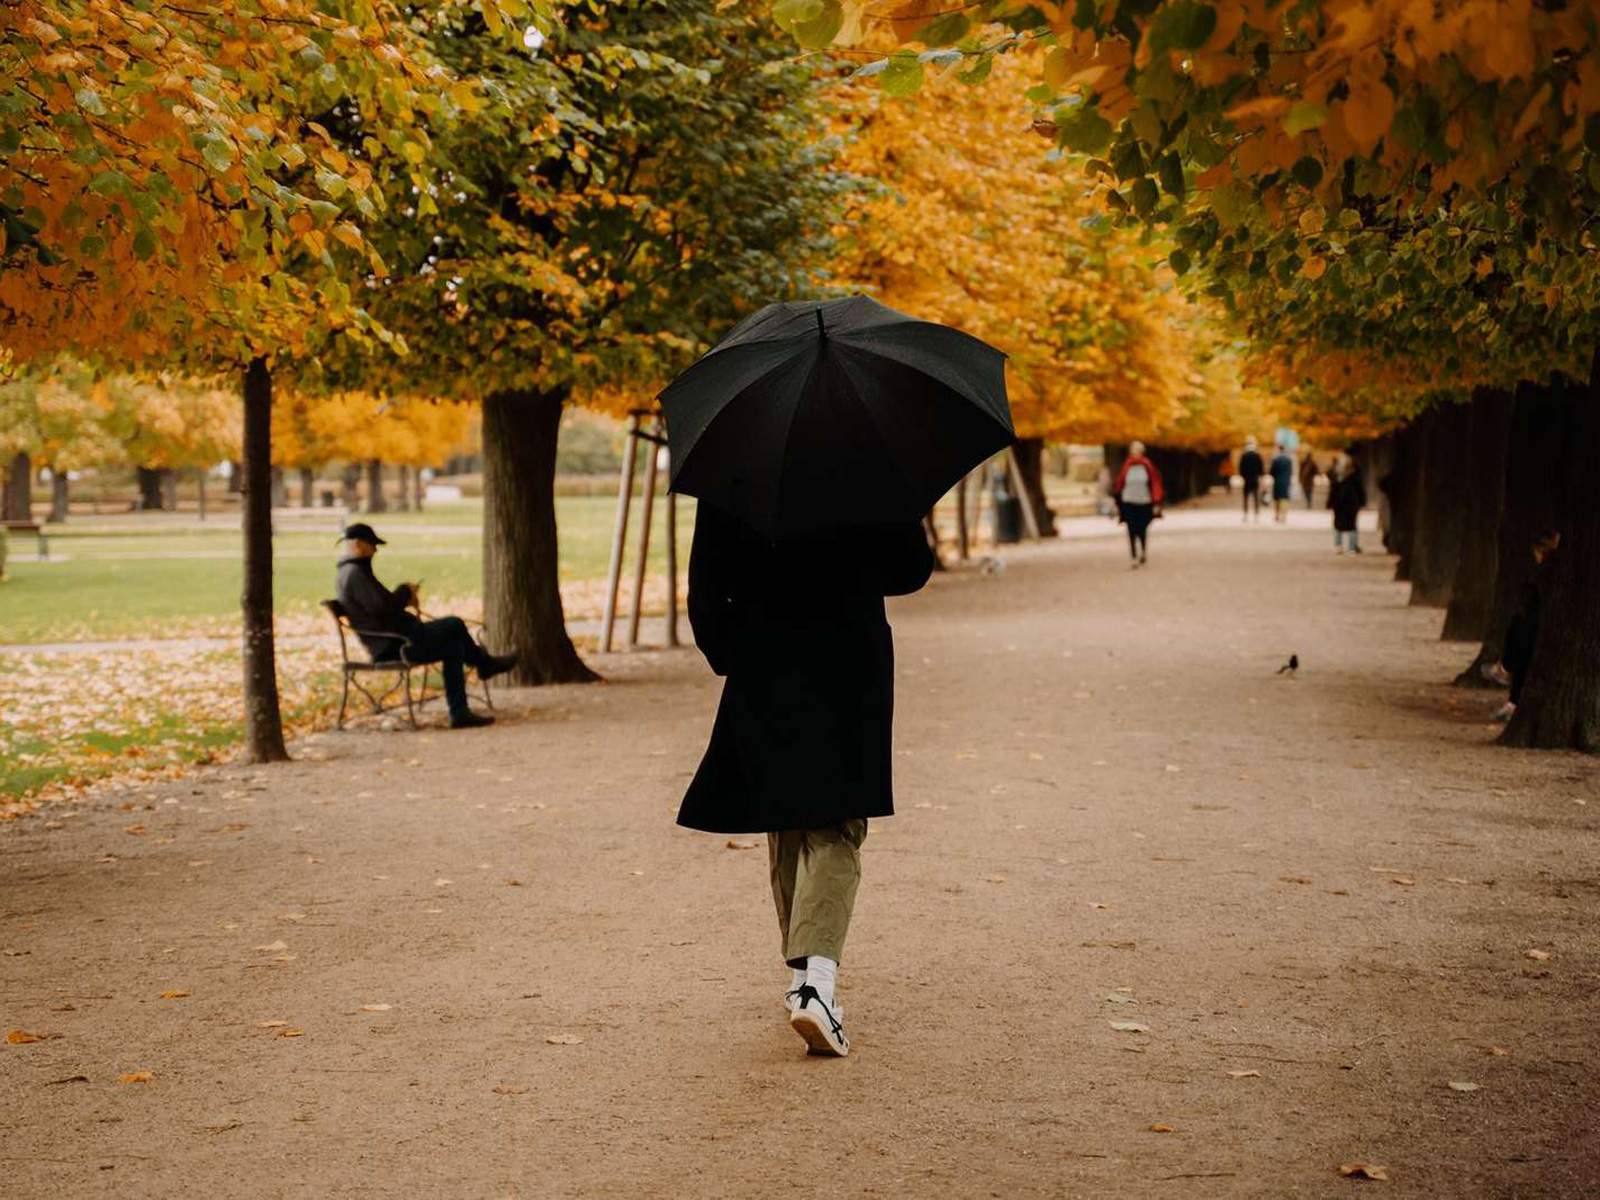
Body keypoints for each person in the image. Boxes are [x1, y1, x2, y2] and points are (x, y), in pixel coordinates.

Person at [680, 502, 935, 1058]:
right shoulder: (867, 471)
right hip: (850, 657)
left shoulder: (738, 471)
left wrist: (733, 654)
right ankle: (817, 982)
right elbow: (909, 570)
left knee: (788, 811)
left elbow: (705, 590)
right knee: (837, 818)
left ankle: (802, 977)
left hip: (763, 659)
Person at [334, 522, 516, 729]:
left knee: (453, 647)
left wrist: (404, 597)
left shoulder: (352, 571)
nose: (375, 550)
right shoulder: (355, 574)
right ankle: (484, 666)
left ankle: (460, 711)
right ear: (358, 544)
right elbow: (382, 607)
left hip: (397, 640)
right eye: (372, 545)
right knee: (454, 624)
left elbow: (381, 606)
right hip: (395, 645)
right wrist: (405, 592)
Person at [1494, 530, 1561, 722]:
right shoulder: (1544, 574)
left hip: (1536, 627)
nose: (1535, 557)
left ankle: (1505, 672)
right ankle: (1506, 675)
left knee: (1522, 650)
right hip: (1531, 625)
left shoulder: (1550, 574)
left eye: (1537, 553)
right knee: (1519, 641)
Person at [1112, 440, 1164, 567]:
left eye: (1138, 450)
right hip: (1128, 501)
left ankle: (1143, 551)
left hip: (1144, 502)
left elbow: (1155, 484)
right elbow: (1120, 484)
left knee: (1142, 528)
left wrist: (1156, 502)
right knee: (1131, 528)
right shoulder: (1127, 466)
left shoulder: (1147, 465)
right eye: (1133, 450)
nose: (1135, 453)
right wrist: (1117, 502)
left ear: (1142, 452)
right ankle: (1133, 555)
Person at [1327, 455, 1366, 554]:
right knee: (1352, 524)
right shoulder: (1355, 475)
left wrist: (1330, 502)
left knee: (1338, 524)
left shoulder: (1337, 475)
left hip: (1339, 502)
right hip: (1352, 502)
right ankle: (1351, 547)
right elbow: (1360, 489)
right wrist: (1362, 501)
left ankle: (1338, 546)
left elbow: (1333, 490)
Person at [1238, 436, 1264, 522]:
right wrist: (1261, 477)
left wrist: (1243, 476)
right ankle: (1256, 515)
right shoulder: (1257, 455)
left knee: (1246, 497)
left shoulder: (1244, 455)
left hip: (1247, 479)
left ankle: (1245, 514)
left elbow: (1241, 468)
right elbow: (1261, 469)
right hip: (1255, 479)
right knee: (1255, 497)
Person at [1269, 443, 1294, 522]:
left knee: (1277, 499)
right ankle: (1284, 516)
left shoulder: (1276, 459)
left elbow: (1272, 472)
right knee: (1285, 499)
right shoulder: (1288, 460)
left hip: (1277, 481)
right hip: (1286, 481)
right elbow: (1290, 471)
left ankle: (1277, 515)